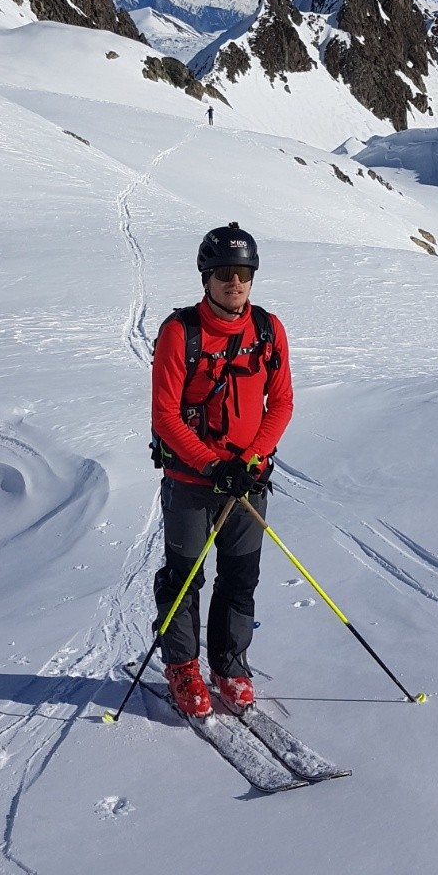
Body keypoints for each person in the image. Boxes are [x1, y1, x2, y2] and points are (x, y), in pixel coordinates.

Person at [150, 222, 293, 716]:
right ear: (206, 276)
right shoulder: (180, 332)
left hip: (248, 481)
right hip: (192, 482)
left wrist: (249, 462)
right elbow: (165, 415)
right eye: (225, 273)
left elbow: (282, 404)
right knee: (185, 576)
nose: (236, 282)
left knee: (240, 577)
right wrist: (213, 465)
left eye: (244, 273)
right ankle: (182, 667)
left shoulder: (269, 330)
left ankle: (229, 665)